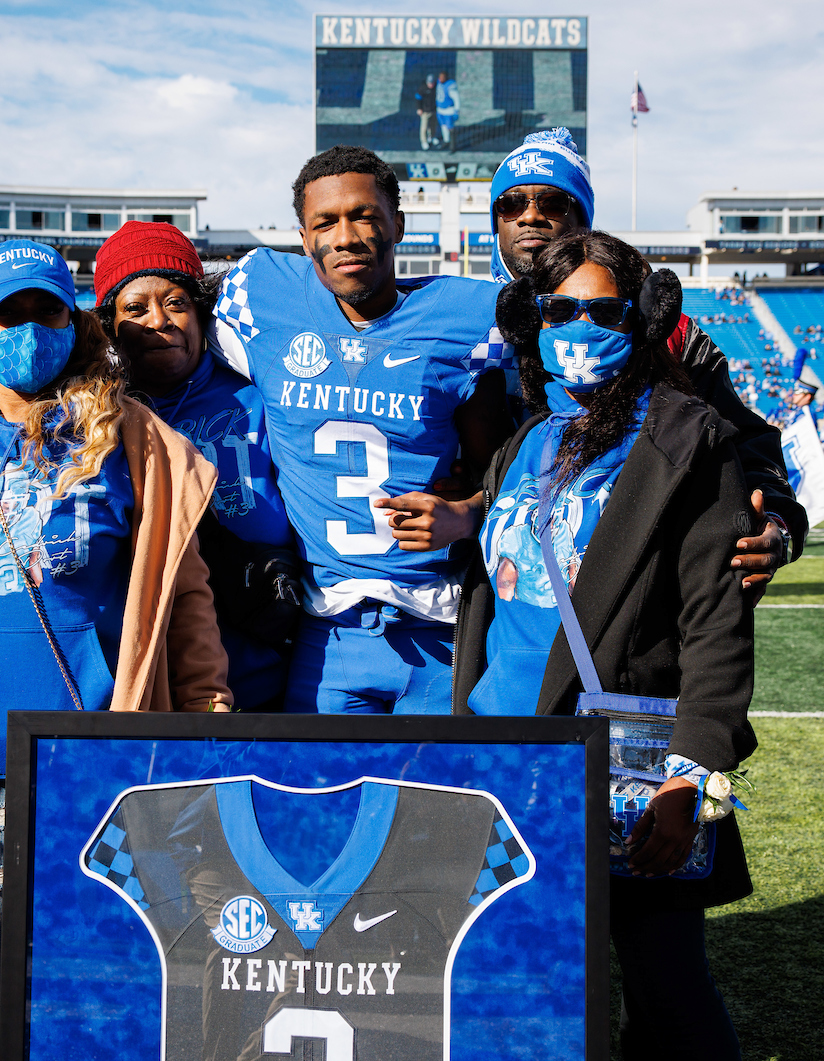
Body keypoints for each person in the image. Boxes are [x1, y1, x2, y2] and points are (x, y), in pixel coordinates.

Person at [0, 238, 231, 1057]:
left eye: (48, 309)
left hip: (98, 754)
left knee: (100, 970)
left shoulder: (129, 440)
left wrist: (209, 709)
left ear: (72, 321)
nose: (30, 329)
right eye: (10, 313)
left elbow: (183, 596)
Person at [453, 231, 754, 1059]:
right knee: (523, 981)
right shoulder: (525, 441)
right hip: (502, 754)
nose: (579, 327)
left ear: (643, 316)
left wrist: (694, 772)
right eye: (560, 309)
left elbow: (716, 623)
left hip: (625, 768)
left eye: (603, 309)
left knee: (667, 990)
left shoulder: (686, 437)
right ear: (535, 322)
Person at [213, 145, 515, 714]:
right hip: (325, 634)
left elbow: (510, 472)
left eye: (364, 215)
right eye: (324, 222)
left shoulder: (468, 318)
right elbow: (162, 317)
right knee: (322, 799)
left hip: (440, 629)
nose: (345, 236)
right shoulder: (262, 291)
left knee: (433, 802)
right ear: (303, 239)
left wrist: (468, 513)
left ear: (397, 223)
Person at [487, 127, 806, 594]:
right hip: (505, 595)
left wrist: (777, 523)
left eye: (553, 202)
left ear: (583, 221)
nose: (530, 216)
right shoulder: (464, 329)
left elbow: (748, 445)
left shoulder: (662, 330)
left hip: (631, 597)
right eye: (511, 204)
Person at [94, 220, 299, 710]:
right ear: (109, 327)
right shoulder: (99, 420)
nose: (159, 320)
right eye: (135, 308)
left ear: (202, 313)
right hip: (159, 679)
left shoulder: (258, 397)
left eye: (177, 303)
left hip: (270, 665)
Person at [435, 71, 459, 152]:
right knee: (443, 126)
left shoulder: (450, 85)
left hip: (448, 110)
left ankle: (453, 146)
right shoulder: (439, 83)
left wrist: (456, 110)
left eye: (442, 77)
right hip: (440, 110)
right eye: (440, 77)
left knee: (450, 128)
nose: (440, 79)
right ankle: (446, 141)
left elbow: (456, 98)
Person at [415, 74, 437, 150]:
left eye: (432, 83)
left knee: (433, 126)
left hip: (433, 110)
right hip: (425, 111)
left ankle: (431, 136)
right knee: (424, 127)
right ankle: (424, 141)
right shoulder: (422, 88)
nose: (431, 85)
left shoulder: (436, 87)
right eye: (429, 83)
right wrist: (419, 108)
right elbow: (418, 99)